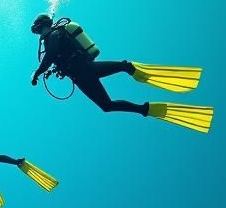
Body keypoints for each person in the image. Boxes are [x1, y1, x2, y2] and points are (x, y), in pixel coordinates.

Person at [30, 13, 213, 132]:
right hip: (84, 70)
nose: (37, 34)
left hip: (81, 72)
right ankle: (129, 72)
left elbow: (52, 54)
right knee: (108, 103)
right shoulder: (56, 35)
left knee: (107, 106)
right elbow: (56, 56)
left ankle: (142, 105)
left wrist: (37, 73)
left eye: (37, 30)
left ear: (40, 26)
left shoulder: (52, 35)